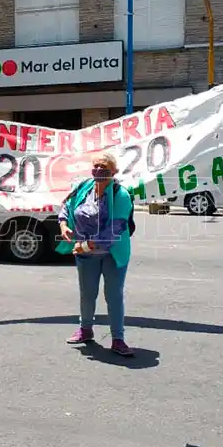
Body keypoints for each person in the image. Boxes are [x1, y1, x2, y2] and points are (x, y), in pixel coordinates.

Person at [57, 152, 135, 357]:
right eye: (96, 166)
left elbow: (115, 229)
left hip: (112, 253)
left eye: (104, 167)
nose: (99, 170)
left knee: (114, 295)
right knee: (87, 294)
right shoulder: (84, 187)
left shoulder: (120, 194)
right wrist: (64, 225)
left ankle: (118, 339)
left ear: (114, 172)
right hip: (85, 254)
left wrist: (85, 245)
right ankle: (85, 330)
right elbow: (67, 205)